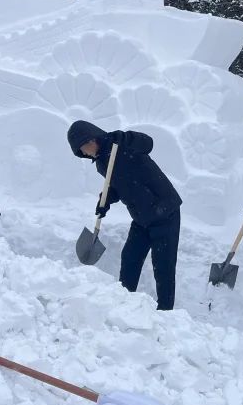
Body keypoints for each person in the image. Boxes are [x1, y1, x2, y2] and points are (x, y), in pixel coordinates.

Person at [67, 121, 182, 310]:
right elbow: (119, 185)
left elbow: (148, 143)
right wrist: (105, 201)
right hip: (141, 217)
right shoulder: (102, 162)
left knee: (163, 265)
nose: (85, 153)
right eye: (80, 151)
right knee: (130, 257)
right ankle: (124, 303)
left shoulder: (122, 145)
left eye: (84, 148)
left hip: (164, 211)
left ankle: (166, 312)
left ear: (92, 138)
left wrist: (124, 138)